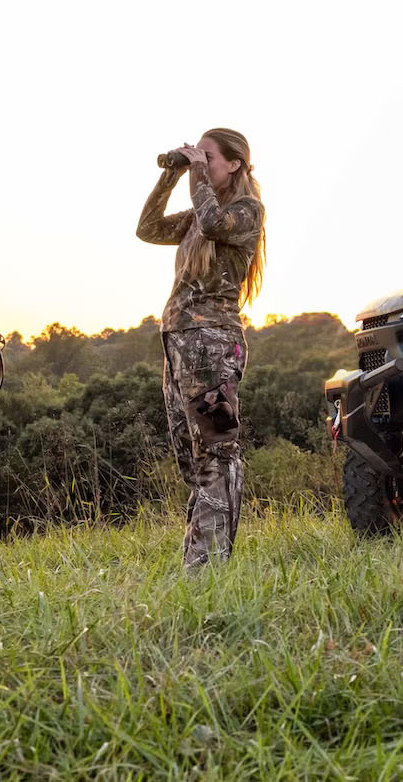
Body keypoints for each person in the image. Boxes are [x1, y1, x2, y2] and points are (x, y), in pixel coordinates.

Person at [137, 129, 266, 569]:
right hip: (178, 342)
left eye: (207, 156)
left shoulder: (246, 210)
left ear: (234, 164)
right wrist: (171, 176)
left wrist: (194, 174)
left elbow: (213, 222)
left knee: (217, 452)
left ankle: (207, 566)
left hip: (213, 343)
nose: (200, 161)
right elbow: (148, 229)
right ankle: (201, 556)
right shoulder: (198, 212)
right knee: (191, 461)